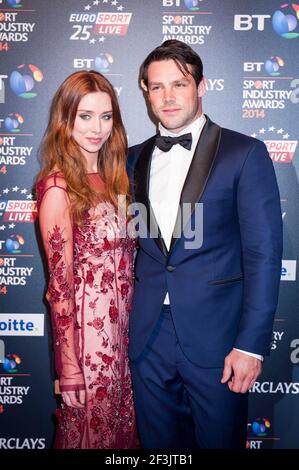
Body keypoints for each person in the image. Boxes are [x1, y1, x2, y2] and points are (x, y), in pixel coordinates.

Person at [127, 40, 283, 449]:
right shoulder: (130, 160)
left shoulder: (244, 153)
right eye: (157, 87)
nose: (168, 96)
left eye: (179, 84)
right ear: (145, 91)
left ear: (202, 86)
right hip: (147, 338)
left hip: (218, 340)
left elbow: (264, 256)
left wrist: (251, 345)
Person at [36, 71, 138, 449]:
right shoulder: (58, 189)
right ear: (66, 120)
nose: (97, 128)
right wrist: (69, 366)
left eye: (106, 117)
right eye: (85, 116)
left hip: (126, 343)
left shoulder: (118, 183)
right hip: (89, 350)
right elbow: (59, 290)